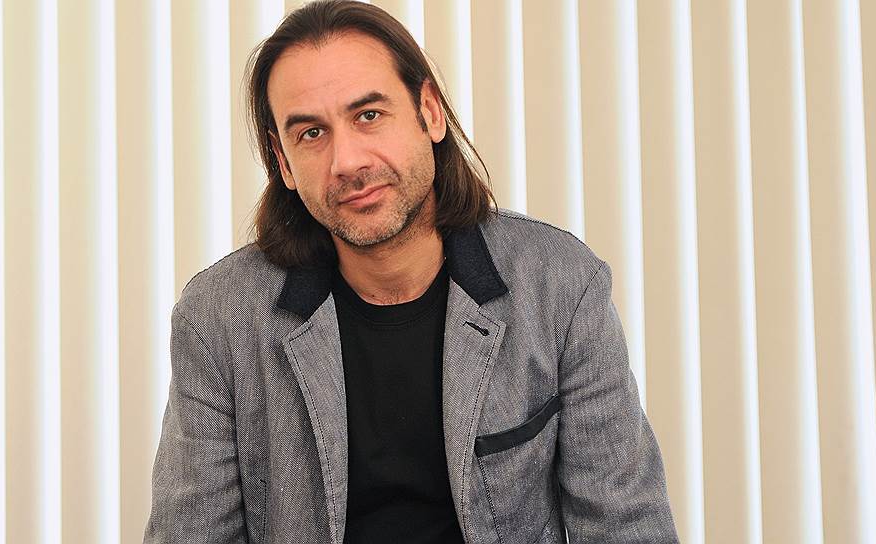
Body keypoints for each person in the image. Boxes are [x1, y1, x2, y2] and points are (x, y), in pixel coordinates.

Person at [144, 1, 678, 542]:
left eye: (368, 115)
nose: (347, 162)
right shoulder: (217, 320)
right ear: (283, 163)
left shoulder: (561, 286)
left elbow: (626, 528)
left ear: (430, 112)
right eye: (311, 133)